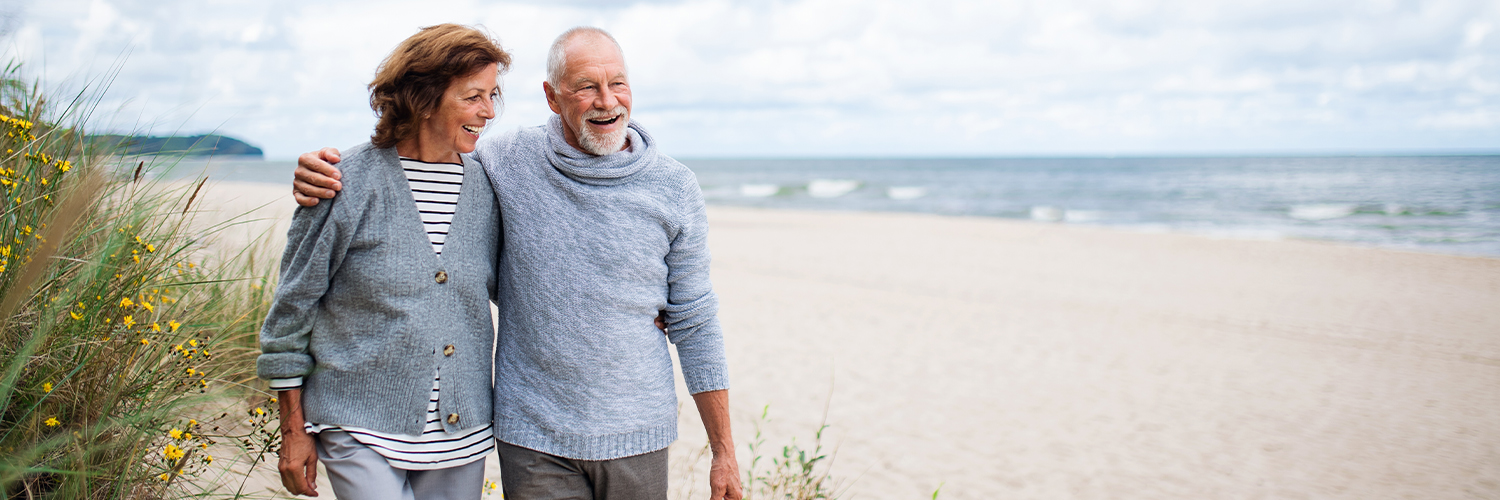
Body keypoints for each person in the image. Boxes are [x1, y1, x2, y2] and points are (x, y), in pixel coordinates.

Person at [292, 27, 744, 500]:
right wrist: (323, 171)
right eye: (587, 86)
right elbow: (424, 159)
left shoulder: (675, 187)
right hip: (531, 435)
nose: (607, 101)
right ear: (552, 97)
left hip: (637, 433)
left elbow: (695, 321)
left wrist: (724, 452)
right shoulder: (502, 161)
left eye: (619, 83)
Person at [257, 24, 509, 499]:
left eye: (493, 95)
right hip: (356, 422)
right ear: (425, 98)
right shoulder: (343, 183)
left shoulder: (490, 189)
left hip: (460, 431)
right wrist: (293, 431)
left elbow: (524, 279)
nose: (488, 112)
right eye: (474, 96)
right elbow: (290, 314)